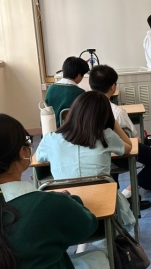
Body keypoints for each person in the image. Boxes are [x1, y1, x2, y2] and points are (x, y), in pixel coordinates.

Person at [0, 114, 109, 269]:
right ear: (22, 152)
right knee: (103, 257)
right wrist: (70, 200)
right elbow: (88, 226)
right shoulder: (49, 204)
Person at [36, 91, 136, 231]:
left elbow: (39, 158)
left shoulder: (50, 139)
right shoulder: (106, 136)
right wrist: (114, 124)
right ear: (105, 116)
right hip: (104, 211)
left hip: (66, 210)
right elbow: (129, 147)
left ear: (73, 112)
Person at [89, 64, 151, 210]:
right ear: (113, 87)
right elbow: (135, 139)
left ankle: (115, 194)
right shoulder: (117, 112)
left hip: (96, 156)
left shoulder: (82, 109)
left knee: (111, 159)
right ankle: (128, 192)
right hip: (120, 153)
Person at [45, 56, 89, 125]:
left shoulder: (51, 88)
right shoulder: (80, 93)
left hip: (50, 127)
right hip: (70, 130)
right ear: (79, 75)